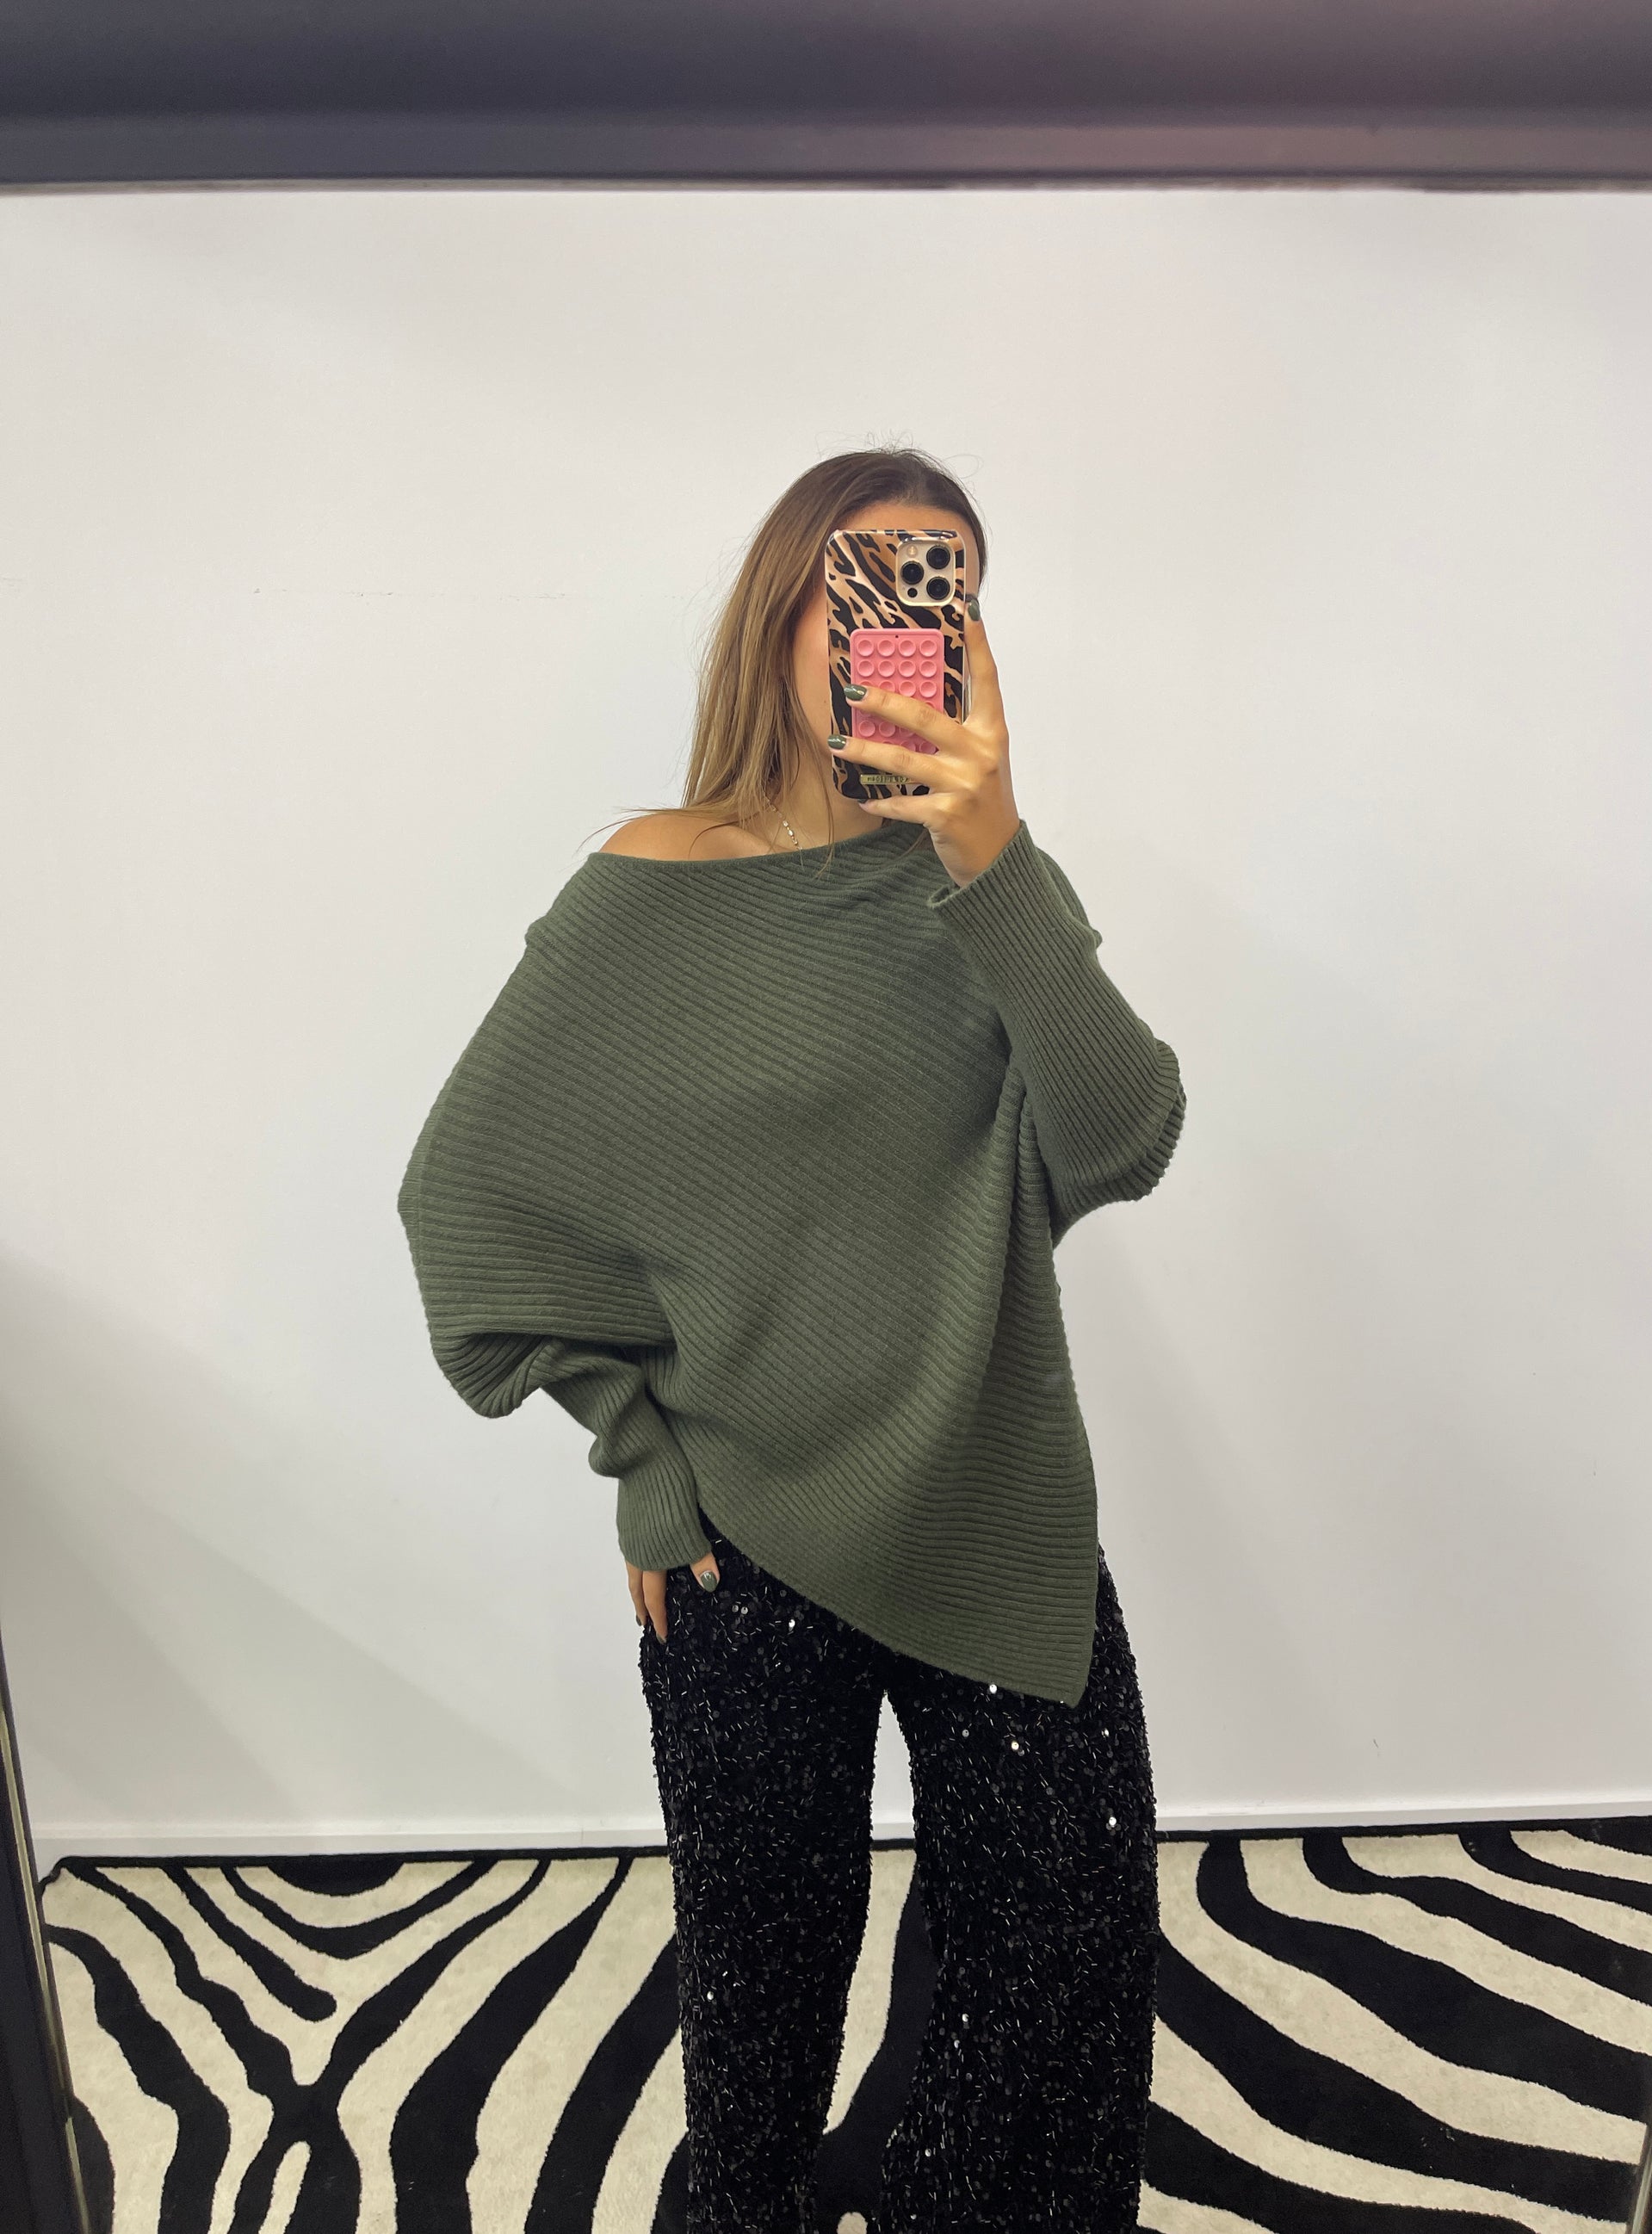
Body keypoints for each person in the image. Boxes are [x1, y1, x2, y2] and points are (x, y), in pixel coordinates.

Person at [397, 447, 1186, 2232]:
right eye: (868, 581)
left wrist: (995, 852)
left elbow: (1124, 1134)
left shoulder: (981, 890)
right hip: (740, 1546)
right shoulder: (646, 882)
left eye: (942, 589)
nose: (902, 622)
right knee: (759, 1998)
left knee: (1063, 1957)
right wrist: (642, 1466)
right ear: (782, 609)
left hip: (989, 1509)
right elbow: (469, 1195)